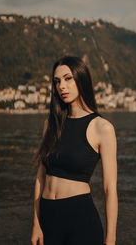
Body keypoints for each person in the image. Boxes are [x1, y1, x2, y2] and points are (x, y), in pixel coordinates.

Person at [31, 56, 118, 245]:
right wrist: (36, 224)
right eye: (57, 81)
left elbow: (109, 189)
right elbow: (40, 176)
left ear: (81, 79)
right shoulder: (51, 124)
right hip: (48, 217)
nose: (62, 86)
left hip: (79, 219)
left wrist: (110, 239)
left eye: (68, 78)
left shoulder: (102, 128)